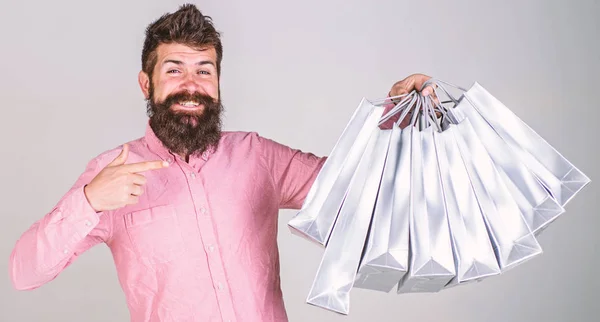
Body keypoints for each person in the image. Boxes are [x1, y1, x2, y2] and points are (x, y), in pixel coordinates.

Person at [8, 3, 434, 322]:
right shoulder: (113, 170)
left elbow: (355, 190)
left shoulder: (257, 156)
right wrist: (90, 201)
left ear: (218, 81)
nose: (190, 85)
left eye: (204, 71)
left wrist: (398, 116)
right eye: (174, 70)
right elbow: (24, 273)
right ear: (146, 83)